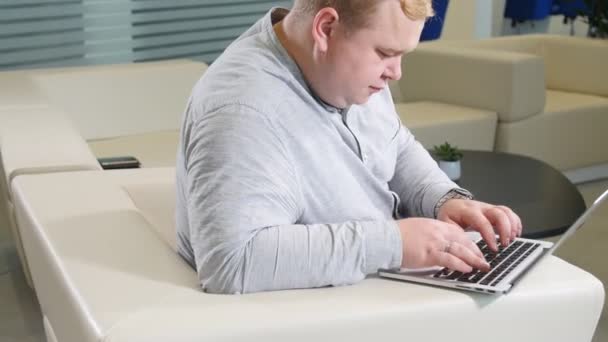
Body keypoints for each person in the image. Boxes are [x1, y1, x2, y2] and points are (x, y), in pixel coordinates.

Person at [175, 0, 523, 294]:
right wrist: (394, 244)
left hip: (379, 279)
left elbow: (395, 144)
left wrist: (443, 199)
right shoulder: (243, 110)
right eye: (386, 52)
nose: (396, 73)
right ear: (325, 28)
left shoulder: (339, 68)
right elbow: (232, 261)